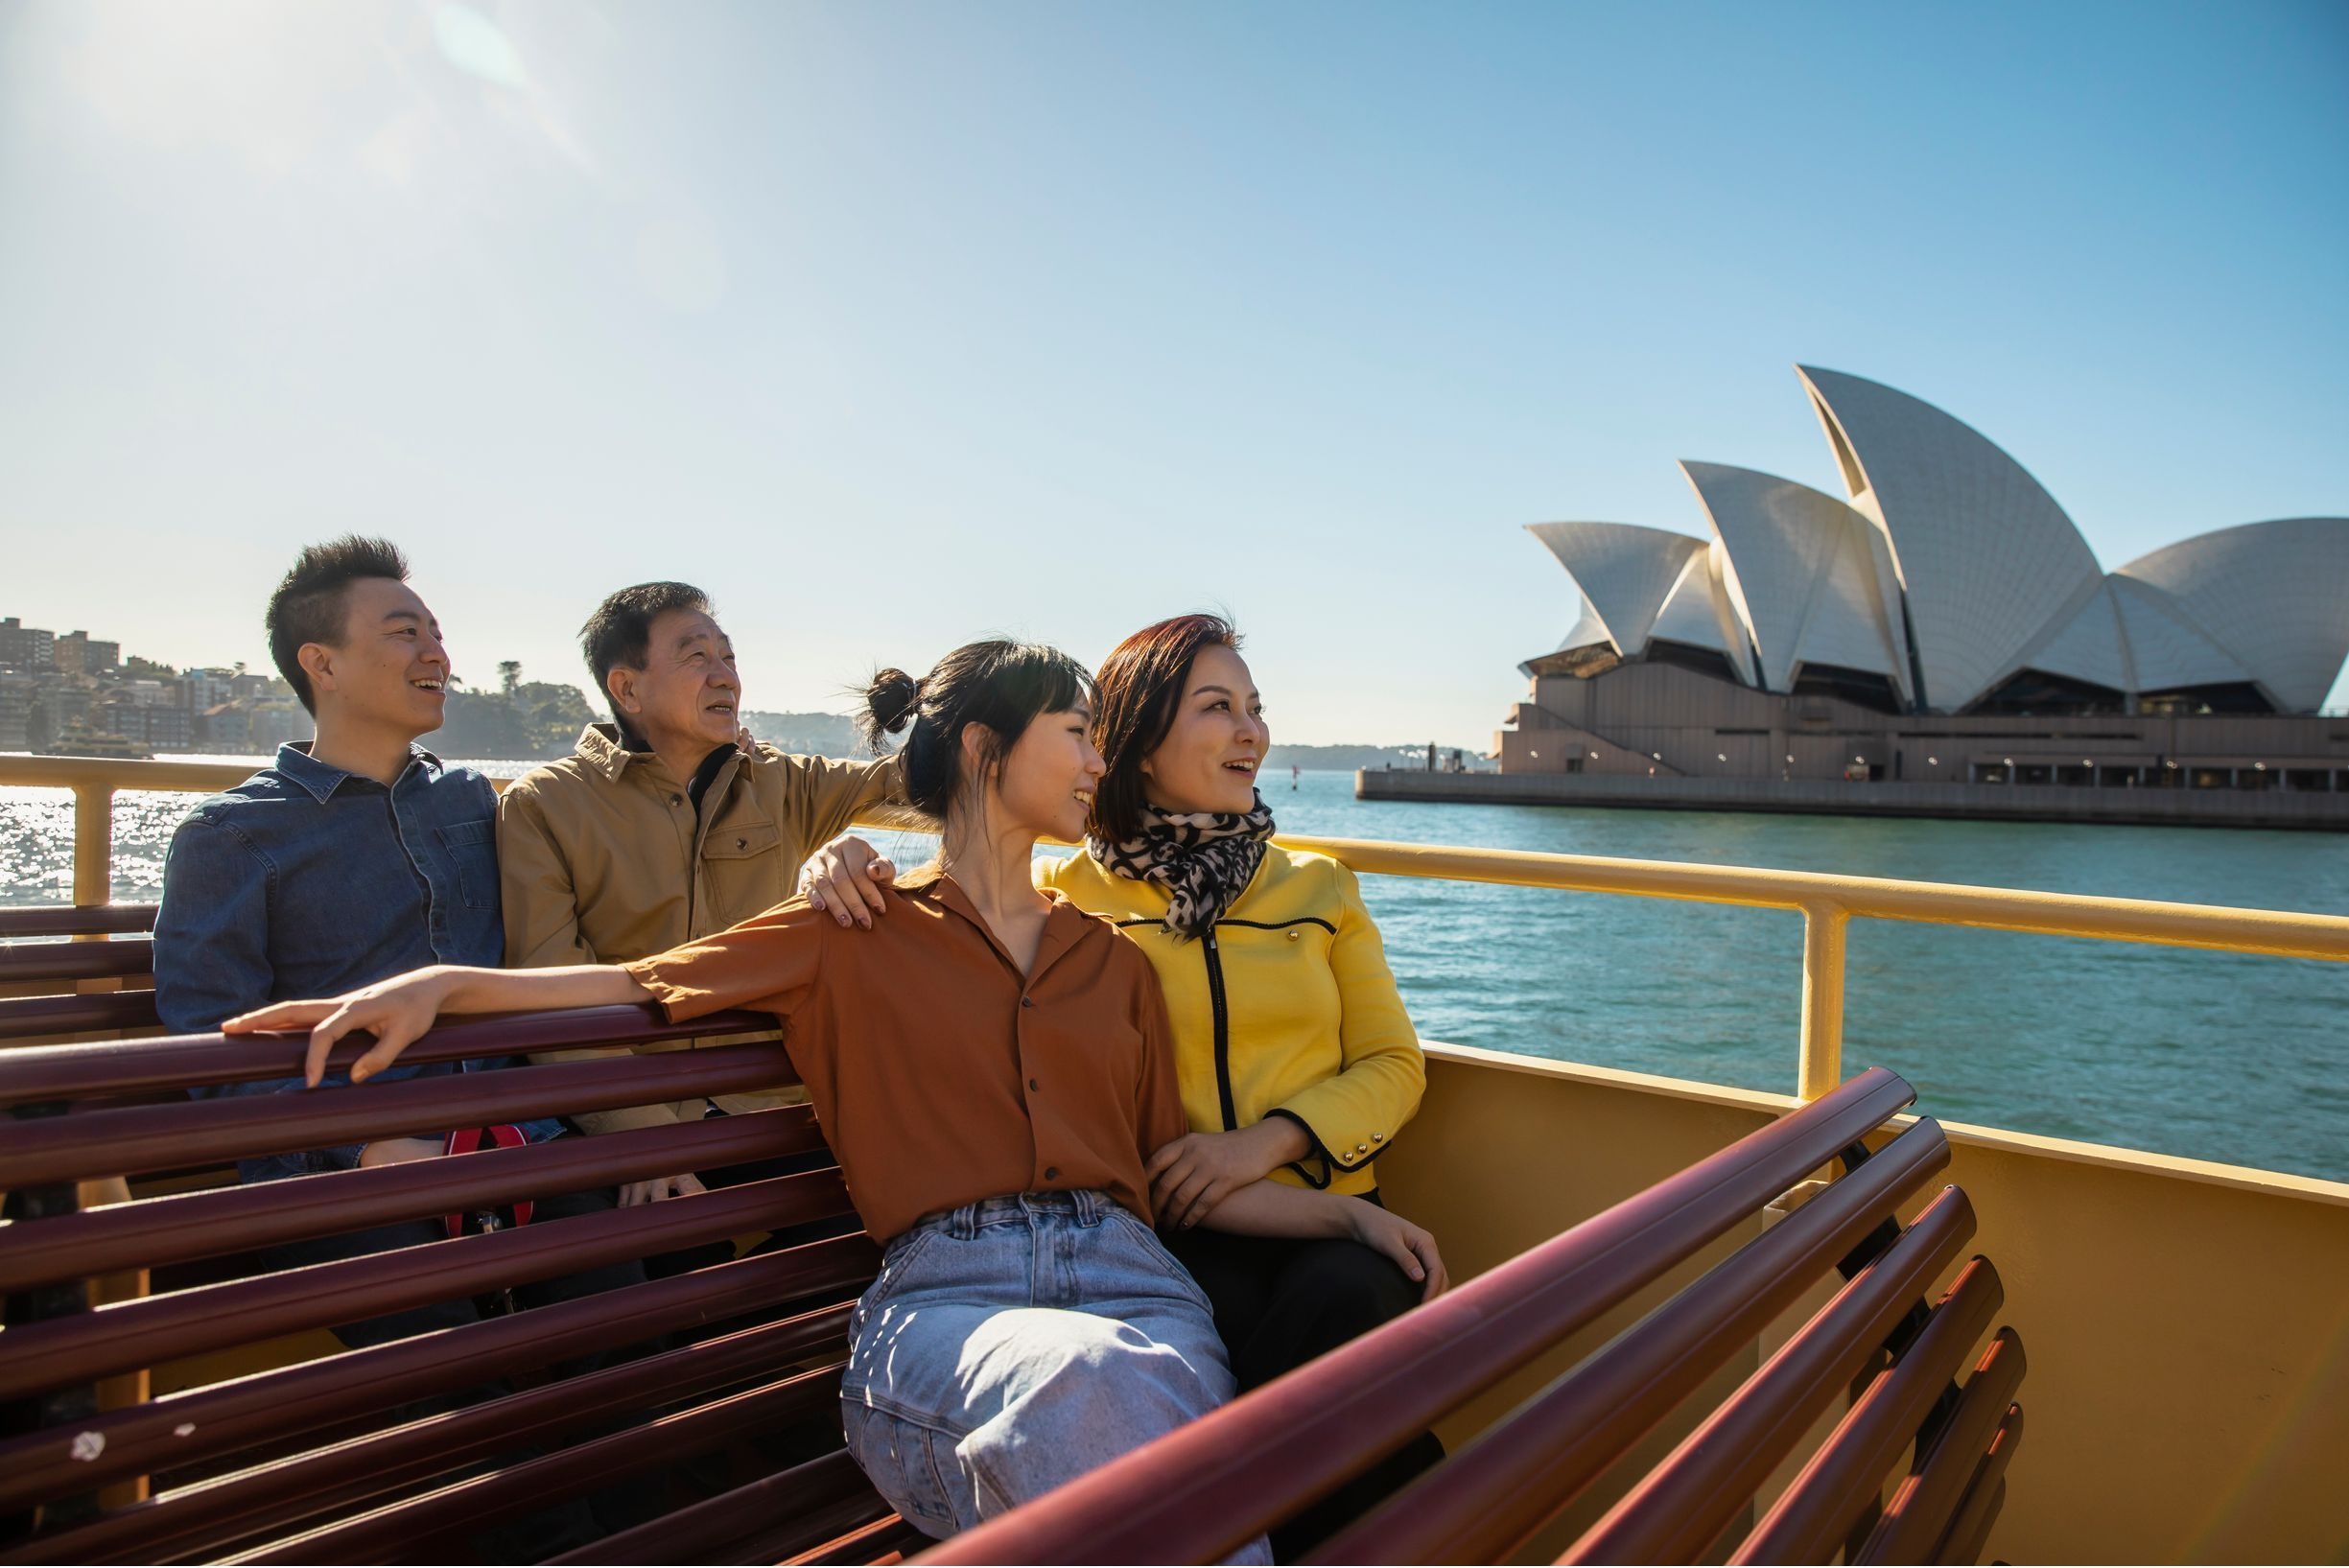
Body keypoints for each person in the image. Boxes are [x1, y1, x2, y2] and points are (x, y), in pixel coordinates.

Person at [223, 639, 1445, 1551]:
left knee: (1131, 1406)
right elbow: (637, 983)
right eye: (1073, 732)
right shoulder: (847, 930)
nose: (1095, 760)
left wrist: (1342, 1214)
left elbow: (1174, 1171)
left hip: (1138, 1292)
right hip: (950, 1313)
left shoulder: (1110, 963)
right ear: (983, 751)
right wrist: (438, 983)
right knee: (1107, 1404)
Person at [801, 614, 1442, 1558]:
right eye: (1217, 708)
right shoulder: (1069, 899)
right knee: (1229, 1345)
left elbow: (1392, 1063)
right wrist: (837, 858)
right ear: (1136, 741)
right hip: (1169, 1234)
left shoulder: (1319, 886)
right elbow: (955, 885)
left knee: (1352, 1299)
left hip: (1315, 1205)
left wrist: (1266, 1143)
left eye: (1255, 709)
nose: (1251, 732)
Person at [153, 537, 643, 1554]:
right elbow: (207, 1046)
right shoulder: (232, 835)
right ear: (319, 663)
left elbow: (604, 874)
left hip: (514, 1148)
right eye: (402, 632)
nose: (436, 653)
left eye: (437, 633)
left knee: (623, 1356)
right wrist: (353, 1150)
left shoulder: (471, 804)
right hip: (345, 1179)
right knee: (466, 1405)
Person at [495, 581, 908, 1234]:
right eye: (696, 657)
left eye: (729, 656)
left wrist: (954, 709)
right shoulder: (544, 805)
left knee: (868, 1239)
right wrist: (646, 1139)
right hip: (629, 1121)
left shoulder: (777, 781)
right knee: (634, 1277)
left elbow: (913, 789)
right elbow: (550, 993)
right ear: (627, 689)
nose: (725, 676)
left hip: (774, 1112)